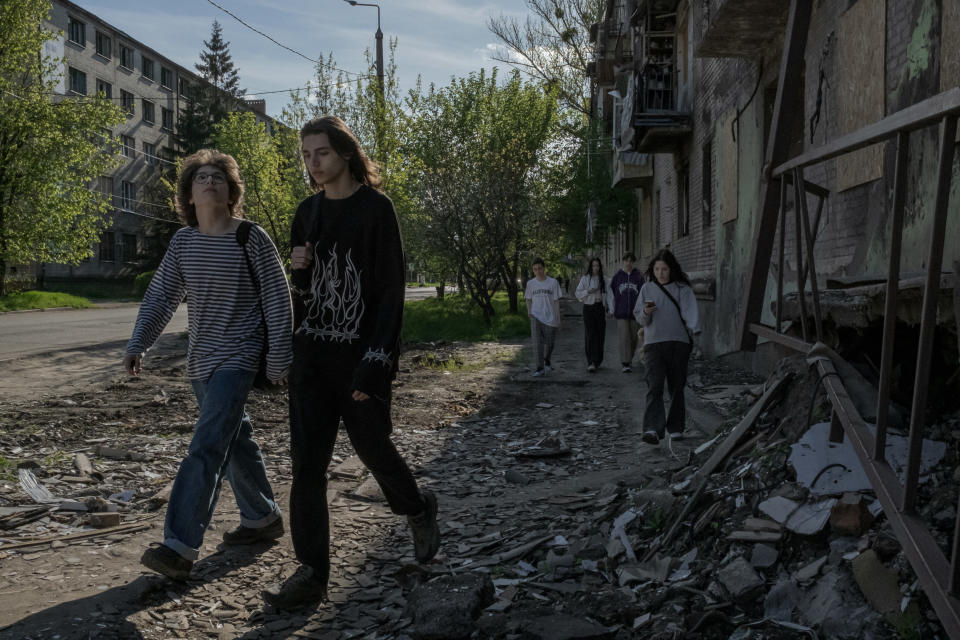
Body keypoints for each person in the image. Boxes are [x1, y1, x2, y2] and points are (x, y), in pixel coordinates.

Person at [264, 115, 441, 609]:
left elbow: (389, 293)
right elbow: (304, 295)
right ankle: (311, 574)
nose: (312, 163)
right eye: (305, 155)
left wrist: (377, 362)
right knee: (307, 468)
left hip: (361, 358)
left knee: (372, 448)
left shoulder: (375, 210)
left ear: (344, 152)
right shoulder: (307, 212)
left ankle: (417, 507)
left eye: (320, 152)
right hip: (312, 360)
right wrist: (296, 273)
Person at [124, 149, 292, 580]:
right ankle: (262, 518)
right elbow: (162, 295)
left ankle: (178, 546)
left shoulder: (250, 236)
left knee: (206, 446)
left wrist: (278, 357)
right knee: (235, 439)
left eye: (219, 177)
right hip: (201, 360)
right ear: (189, 194)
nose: (210, 182)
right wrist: (139, 342)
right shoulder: (183, 242)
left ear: (231, 190)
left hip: (240, 355)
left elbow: (277, 297)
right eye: (201, 178)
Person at [634, 249, 700, 445]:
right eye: (657, 269)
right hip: (653, 344)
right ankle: (652, 429)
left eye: (664, 269)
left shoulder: (683, 289)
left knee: (677, 386)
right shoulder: (647, 289)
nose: (660, 273)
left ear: (671, 269)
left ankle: (676, 427)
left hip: (679, 343)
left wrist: (695, 331)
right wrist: (646, 312)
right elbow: (640, 318)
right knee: (654, 386)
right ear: (652, 270)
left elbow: (691, 314)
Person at [524, 257, 562, 377]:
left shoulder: (553, 282)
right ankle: (539, 368)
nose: (538, 271)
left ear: (544, 268)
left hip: (550, 317)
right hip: (536, 315)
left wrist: (558, 318)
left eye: (540, 268)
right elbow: (528, 299)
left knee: (550, 343)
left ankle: (547, 360)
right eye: (535, 269)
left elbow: (556, 301)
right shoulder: (531, 284)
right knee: (537, 343)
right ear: (533, 270)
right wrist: (529, 310)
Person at [575, 257, 613, 372]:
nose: (595, 268)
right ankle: (590, 361)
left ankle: (598, 361)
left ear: (600, 267)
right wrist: (588, 291)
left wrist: (611, 310)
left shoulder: (605, 280)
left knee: (600, 334)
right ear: (590, 267)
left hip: (600, 308)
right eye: (593, 266)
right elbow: (578, 293)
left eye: (597, 266)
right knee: (590, 334)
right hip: (588, 308)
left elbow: (610, 295)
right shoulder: (585, 279)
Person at [610, 252, 645, 373]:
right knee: (624, 337)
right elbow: (612, 294)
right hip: (621, 312)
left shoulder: (639, 276)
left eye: (631, 261)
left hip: (635, 313)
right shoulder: (617, 276)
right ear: (623, 261)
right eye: (626, 260)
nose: (628, 263)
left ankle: (629, 359)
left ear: (633, 262)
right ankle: (625, 363)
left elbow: (643, 293)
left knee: (634, 338)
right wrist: (612, 308)